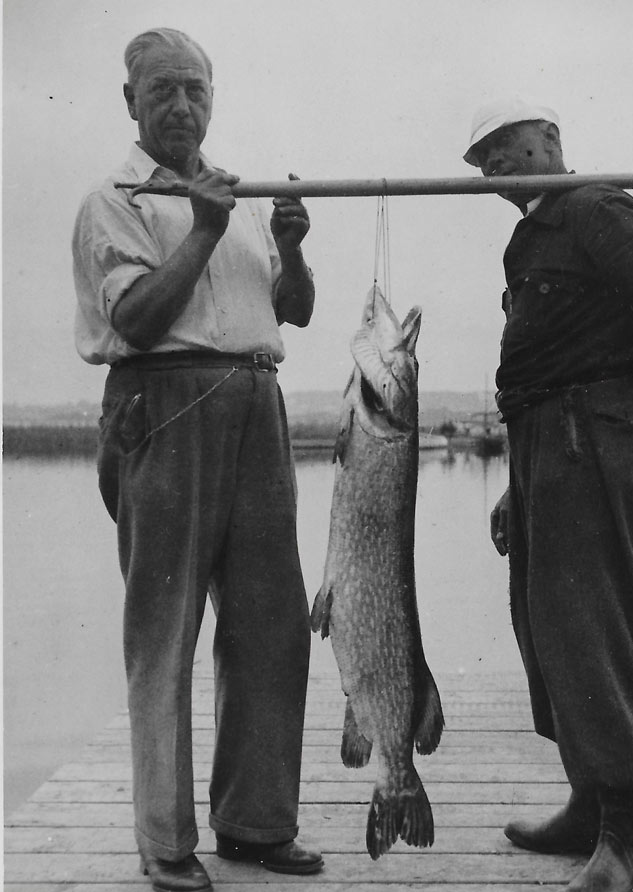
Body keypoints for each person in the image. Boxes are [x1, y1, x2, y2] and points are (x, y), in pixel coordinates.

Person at [72, 28, 323, 892]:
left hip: (258, 402)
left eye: (197, 91)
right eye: (165, 90)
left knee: (272, 625)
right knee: (166, 629)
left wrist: (289, 245)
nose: (183, 105)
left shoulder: (236, 193)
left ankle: (256, 823)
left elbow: (291, 309)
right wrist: (206, 228)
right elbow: (138, 318)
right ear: (131, 100)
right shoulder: (113, 199)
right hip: (163, 405)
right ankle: (165, 843)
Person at [463, 98, 633, 892]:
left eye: (508, 147)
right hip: (547, 446)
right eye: (484, 159)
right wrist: (518, 479)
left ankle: (629, 839)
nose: (496, 166)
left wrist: (629, 380)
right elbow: (542, 360)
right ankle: (588, 804)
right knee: (552, 629)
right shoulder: (532, 234)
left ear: (552, 142)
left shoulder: (593, 204)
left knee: (598, 631)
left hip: (595, 439)